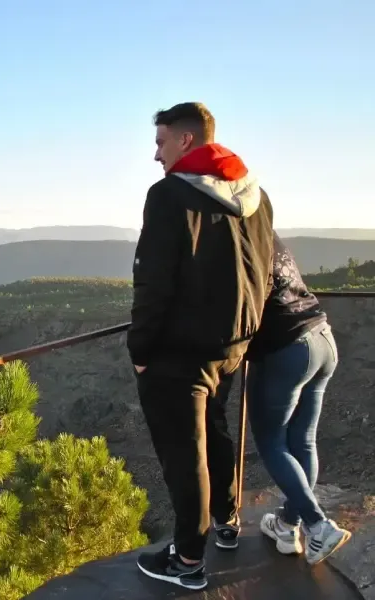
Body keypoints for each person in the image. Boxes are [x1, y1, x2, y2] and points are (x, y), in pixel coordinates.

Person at [127, 102, 274, 590]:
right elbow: (264, 270)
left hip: (179, 352)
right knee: (215, 432)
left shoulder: (169, 196)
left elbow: (153, 280)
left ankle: (188, 561)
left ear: (186, 141)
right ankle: (228, 520)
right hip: (232, 346)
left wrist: (141, 351)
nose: (156, 155)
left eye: (161, 142)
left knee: (185, 454)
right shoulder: (256, 196)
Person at [245, 232, 351, 564]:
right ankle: (287, 526)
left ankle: (319, 526)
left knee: (272, 442)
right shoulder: (267, 236)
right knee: (302, 441)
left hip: (289, 350)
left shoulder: (233, 246)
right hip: (323, 337)